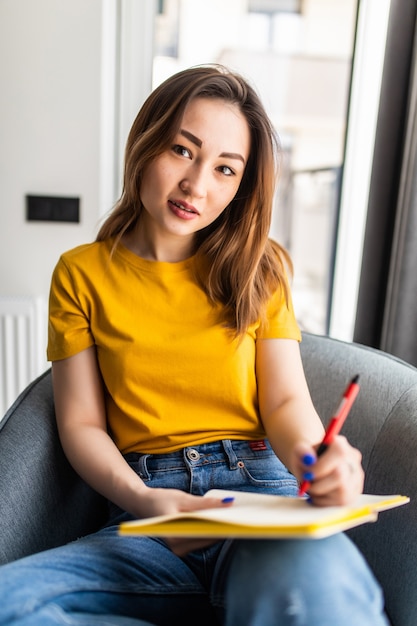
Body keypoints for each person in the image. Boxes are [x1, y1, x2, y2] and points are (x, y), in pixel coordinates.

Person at [0, 65, 388, 626]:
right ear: (146, 142)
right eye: (183, 151)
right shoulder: (80, 274)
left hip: (260, 503)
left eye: (225, 169)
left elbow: (285, 406)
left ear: (241, 185)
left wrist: (318, 463)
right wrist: (145, 501)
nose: (197, 186)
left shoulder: (262, 268)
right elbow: (81, 424)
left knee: (311, 591)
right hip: (149, 516)